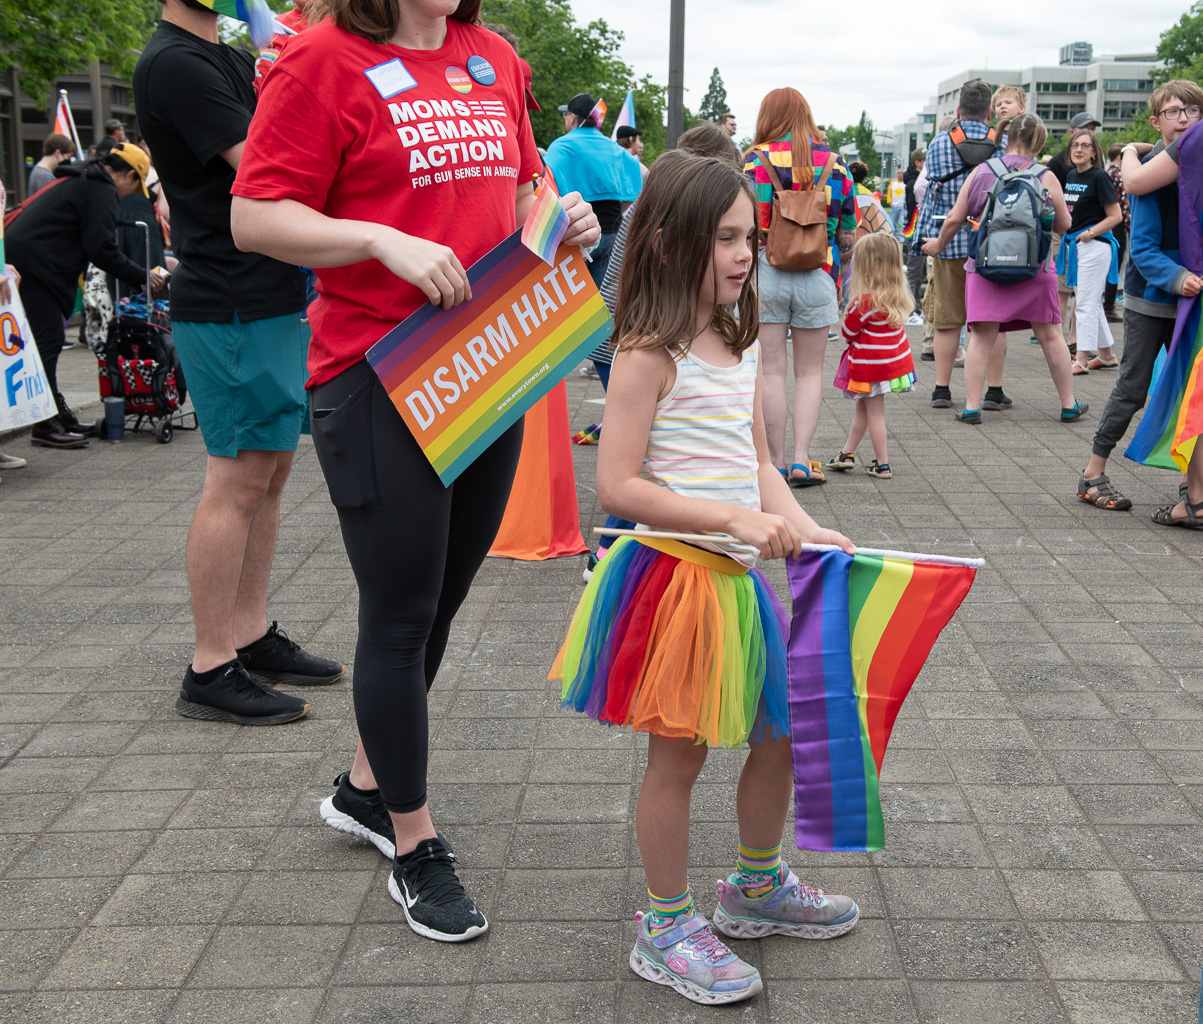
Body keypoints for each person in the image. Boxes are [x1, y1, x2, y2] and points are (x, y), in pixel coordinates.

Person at [229, 0, 599, 942]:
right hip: (374, 372)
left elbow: (522, 184)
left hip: (485, 357)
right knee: (396, 619)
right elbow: (253, 215)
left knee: (438, 602)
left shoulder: (494, 56)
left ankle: (363, 786)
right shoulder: (318, 60)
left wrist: (558, 215)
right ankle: (412, 841)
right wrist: (375, 239)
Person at [551, 152, 859, 1007]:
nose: (742, 255)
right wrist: (729, 522)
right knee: (680, 756)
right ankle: (664, 924)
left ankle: (755, 888)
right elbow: (617, 487)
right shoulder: (646, 352)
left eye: (748, 239)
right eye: (724, 238)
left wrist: (798, 524)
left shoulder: (738, 334)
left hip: (736, 582)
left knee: (781, 732)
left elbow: (755, 459)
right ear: (664, 240)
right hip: (677, 581)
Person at [135, 0, 341, 731]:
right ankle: (209, 663)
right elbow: (268, 164)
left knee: (271, 470)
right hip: (225, 297)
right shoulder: (176, 62)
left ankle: (249, 635)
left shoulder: (221, 52)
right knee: (237, 477)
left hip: (266, 291)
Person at [1082, 81, 1203, 513]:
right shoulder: (1151, 170)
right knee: (1133, 387)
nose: (1184, 118)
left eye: (1192, 110)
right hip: (1154, 297)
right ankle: (1093, 471)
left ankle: (1195, 488)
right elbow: (1145, 250)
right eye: (1173, 112)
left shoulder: (1196, 165)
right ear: (1156, 122)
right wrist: (1178, 278)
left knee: (1195, 392)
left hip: (1191, 300)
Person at [924, 113, 1085, 424]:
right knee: (1051, 336)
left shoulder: (982, 171)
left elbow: (956, 218)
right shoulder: (1045, 175)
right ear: (1039, 142)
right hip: (1035, 269)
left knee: (981, 338)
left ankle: (972, 407)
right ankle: (1068, 404)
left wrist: (939, 246)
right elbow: (1065, 225)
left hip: (986, 271)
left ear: (1006, 137)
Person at [5, 145, 158, 448]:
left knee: (40, 344)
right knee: (46, 343)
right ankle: (44, 424)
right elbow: (100, 248)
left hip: (25, 261)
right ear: (127, 175)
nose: (130, 194)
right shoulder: (100, 188)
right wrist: (143, 277)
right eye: (134, 186)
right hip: (35, 268)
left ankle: (55, 413)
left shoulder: (84, 178)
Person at [744, 87, 856, 487]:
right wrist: (837, 279)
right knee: (809, 373)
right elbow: (847, 234)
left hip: (766, 272)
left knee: (771, 371)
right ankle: (801, 460)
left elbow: (744, 226)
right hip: (817, 273)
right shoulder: (837, 165)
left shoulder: (754, 162)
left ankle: (772, 463)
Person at [911, 79, 1004, 409]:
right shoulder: (1001, 142)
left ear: (959, 110)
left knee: (948, 319)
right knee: (990, 322)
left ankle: (941, 389)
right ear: (990, 110)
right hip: (992, 246)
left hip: (946, 239)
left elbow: (930, 182)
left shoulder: (939, 143)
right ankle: (993, 390)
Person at [825, 231, 916, 478]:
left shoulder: (863, 303)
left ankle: (882, 464)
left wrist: (847, 315)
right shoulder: (897, 299)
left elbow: (847, 332)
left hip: (870, 368)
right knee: (863, 410)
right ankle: (847, 453)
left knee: (875, 413)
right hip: (889, 366)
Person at [545, 92, 641, 287]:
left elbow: (545, 184)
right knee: (604, 302)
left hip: (576, 235)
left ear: (572, 118)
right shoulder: (611, 146)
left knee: (576, 305)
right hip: (612, 234)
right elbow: (637, 179)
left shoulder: (561, 146)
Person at [1057, 130, 1122, 374]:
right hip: (1077, 246)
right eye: (1075, 145)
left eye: (1085, 145)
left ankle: (1081, 359)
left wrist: (1090, 233)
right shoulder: (1072, 174)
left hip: (1095, 246)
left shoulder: (1099, 177)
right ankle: (1106, 355)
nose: (1079, 149)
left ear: (1094, 151)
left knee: (1083, 302)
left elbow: (1116, 216)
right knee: (1090, 301)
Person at [1103, 142, 1131, 321]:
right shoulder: (1120, 174)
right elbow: (1124, 202)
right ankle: (1109, 306)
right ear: (1121, 157)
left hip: (1104, 222)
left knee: (1107, 264)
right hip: (1117, 224)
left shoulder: (1105, 173)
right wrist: (1130, 225)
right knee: (1115, 264)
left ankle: (1105, 303)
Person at [903, 148, 926, 324]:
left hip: (918, 231)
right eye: (925, 160)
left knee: (919, 273)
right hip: (915, 232)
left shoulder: (916, 181)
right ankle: (910, 311)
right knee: (914, 273)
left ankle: (916, 309)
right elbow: (915, 211)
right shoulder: (914, 184)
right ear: (918, 162)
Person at [887, 168, 907, 237]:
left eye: (902, 173)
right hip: (894, 206)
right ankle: (894, 236)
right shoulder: (893, 184)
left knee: (902, 223)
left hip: (903, 206)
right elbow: (889, 194)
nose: (900, 175)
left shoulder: (905, 184)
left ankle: (902, 237)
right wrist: (890, 202)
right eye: (899, 173)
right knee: (893, 223)